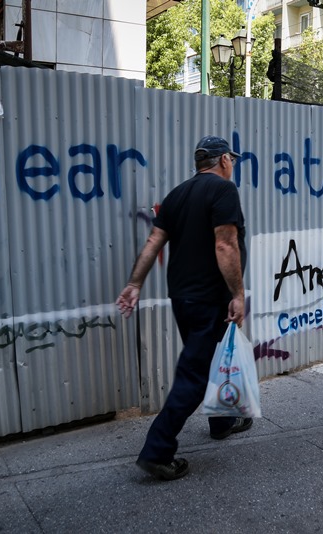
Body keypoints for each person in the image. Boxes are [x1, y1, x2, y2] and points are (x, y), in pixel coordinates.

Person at [116, 135, 252, 481]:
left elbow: (153, 243)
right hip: (210, 299)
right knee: (193, 373)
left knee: (207, 359)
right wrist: (237, 293)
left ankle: (221, 421)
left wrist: (134, 284)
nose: (232, 165)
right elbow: (225, 244)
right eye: (231, 160)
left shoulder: (177, 195)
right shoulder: (223, 191)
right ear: (223, 161)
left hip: (183, 298)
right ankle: (157, 450)